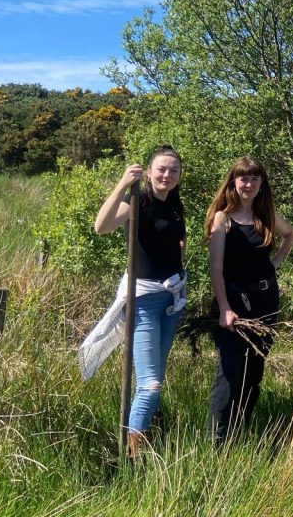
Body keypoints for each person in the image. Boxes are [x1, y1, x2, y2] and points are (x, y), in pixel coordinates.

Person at [89, 145, 188, 457]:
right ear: (149, 172)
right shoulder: (138, 200)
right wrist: (121, 185)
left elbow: (177, 245)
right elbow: (101, 227)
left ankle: (144, 432)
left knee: (155, 377)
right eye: (161, 169)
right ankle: (135, 456)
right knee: (150, 385)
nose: (167, 175)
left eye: (173, 170)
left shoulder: (174, 205)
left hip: (172, 302)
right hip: (144, 301)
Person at [204, 156, 293, 445]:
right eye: (244, 178)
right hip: (233, 302)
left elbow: (290, 234)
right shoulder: (223, 218)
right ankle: (217, 441)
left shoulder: (264, 215)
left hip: (265, 301)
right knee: (230, 371)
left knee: (255, 369)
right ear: (233, 182)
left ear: (261, 183)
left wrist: (275, 263)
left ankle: (240, 431)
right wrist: (224, 308)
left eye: (255, 178)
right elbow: (215, 269)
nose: (249, 183)